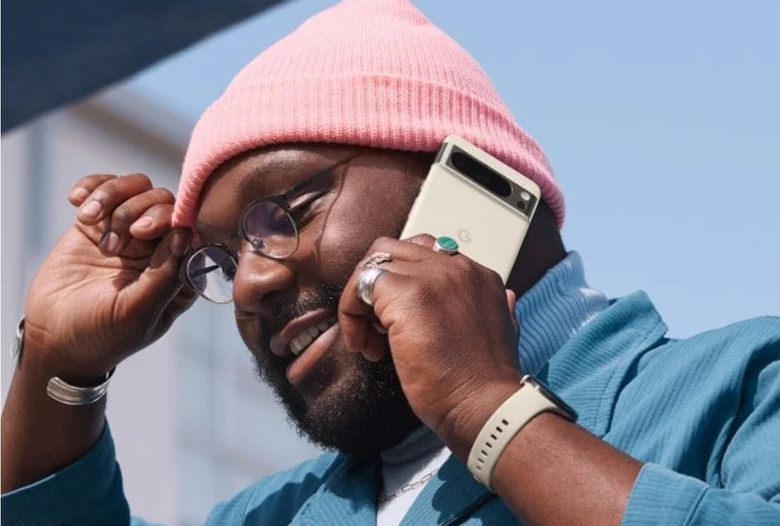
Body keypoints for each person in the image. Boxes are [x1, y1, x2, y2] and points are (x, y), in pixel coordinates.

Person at [2, 0, 779, 524]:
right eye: (222, 260)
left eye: (289, 214)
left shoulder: (744, 385)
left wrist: (489, 410)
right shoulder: (272, 514)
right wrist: (55, 369)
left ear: (466, 182)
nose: (252, 282)